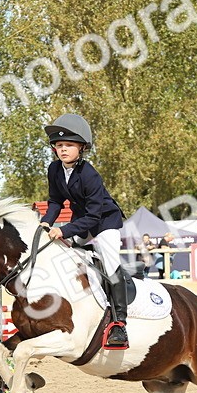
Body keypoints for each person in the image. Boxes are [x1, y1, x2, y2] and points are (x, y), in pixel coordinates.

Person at [39, 113, 130, 350]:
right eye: (59, 145)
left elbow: (94, 216)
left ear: (82, 147)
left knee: (110, 265)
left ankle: (120, 324)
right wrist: (46, 222)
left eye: (69, 145)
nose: (63, 149)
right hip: (84, 222)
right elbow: (56, 201)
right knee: (67, 257)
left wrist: (64, 230)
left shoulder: (89, 174)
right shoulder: (55, 170)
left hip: (104, 224)